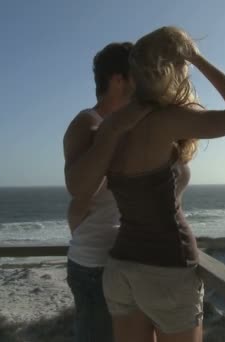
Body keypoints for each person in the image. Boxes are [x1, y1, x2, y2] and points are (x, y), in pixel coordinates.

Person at [101, 26, 225, 342]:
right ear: (172, 71)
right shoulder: (165, 121)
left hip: (120, 267)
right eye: (184, 67)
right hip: (166, 269)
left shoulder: (115, 125)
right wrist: (199, 58)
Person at [63, 42, 151, 342]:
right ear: (118, 80)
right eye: (138, 76)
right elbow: (79, 189)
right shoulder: (89, 122)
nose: (145, 85)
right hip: (96, 265)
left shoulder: (129, 125)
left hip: (130, 260)